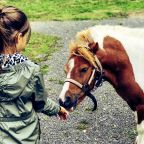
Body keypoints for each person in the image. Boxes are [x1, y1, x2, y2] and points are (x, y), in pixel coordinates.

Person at [0, 6, 69, 144]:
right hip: (25, 137)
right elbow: (40, 103)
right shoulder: (31, 70)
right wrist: (57, 109)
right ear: (19, 38)